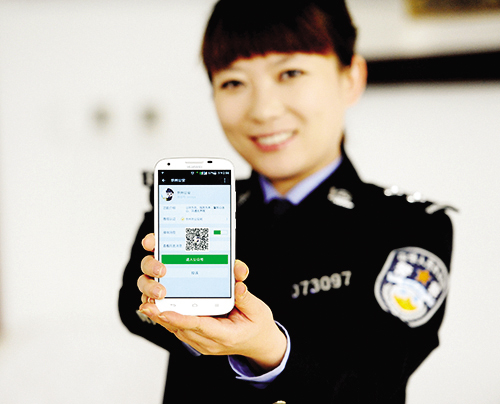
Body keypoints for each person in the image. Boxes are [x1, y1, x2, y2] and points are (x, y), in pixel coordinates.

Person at [118, 1, 453, 402]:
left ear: (350, 78)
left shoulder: (407, 225)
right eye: (233, 83)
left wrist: (269, 351)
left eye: (290, 73)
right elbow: (131, 308)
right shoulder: (192, 203)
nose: (263, 110)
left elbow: (375, 378)